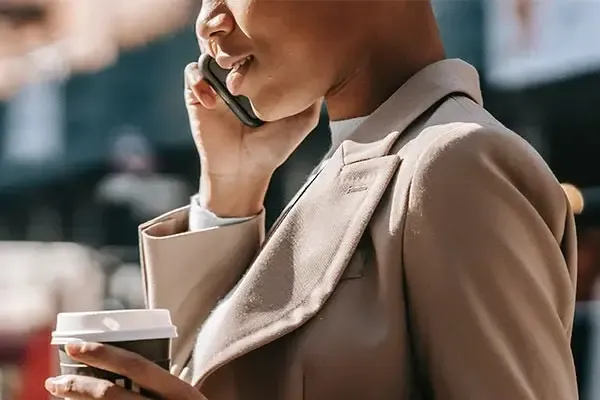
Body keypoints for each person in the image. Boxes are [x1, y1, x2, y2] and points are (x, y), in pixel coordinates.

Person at [45, 0, 578, 399]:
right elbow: (209, 376)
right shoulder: (351, 164)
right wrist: (232, 188)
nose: (208, 21)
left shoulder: (455, 161)